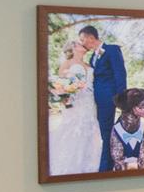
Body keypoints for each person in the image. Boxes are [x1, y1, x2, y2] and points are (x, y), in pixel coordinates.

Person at [47, 41, 101, 175]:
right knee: (73, 129)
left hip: (90, 102)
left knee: (89, 129)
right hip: (75, 103)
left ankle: (88, 166)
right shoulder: (67, 64)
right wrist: (65, 96)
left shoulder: (90, 65)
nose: (83, 44)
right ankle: (69, 166)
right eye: (79, 43)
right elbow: (59, 85)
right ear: (73, 48)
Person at [80, 24, 129, 172]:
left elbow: (120, 74)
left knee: (106, 131)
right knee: (103, 131)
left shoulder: (112, 49)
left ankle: (106, 166)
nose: (82, 43)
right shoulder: (93, 56)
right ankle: (108, 161)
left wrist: (121, 98)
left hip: (109, 98)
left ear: (90, 37)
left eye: (82, 39)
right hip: (96, 99)